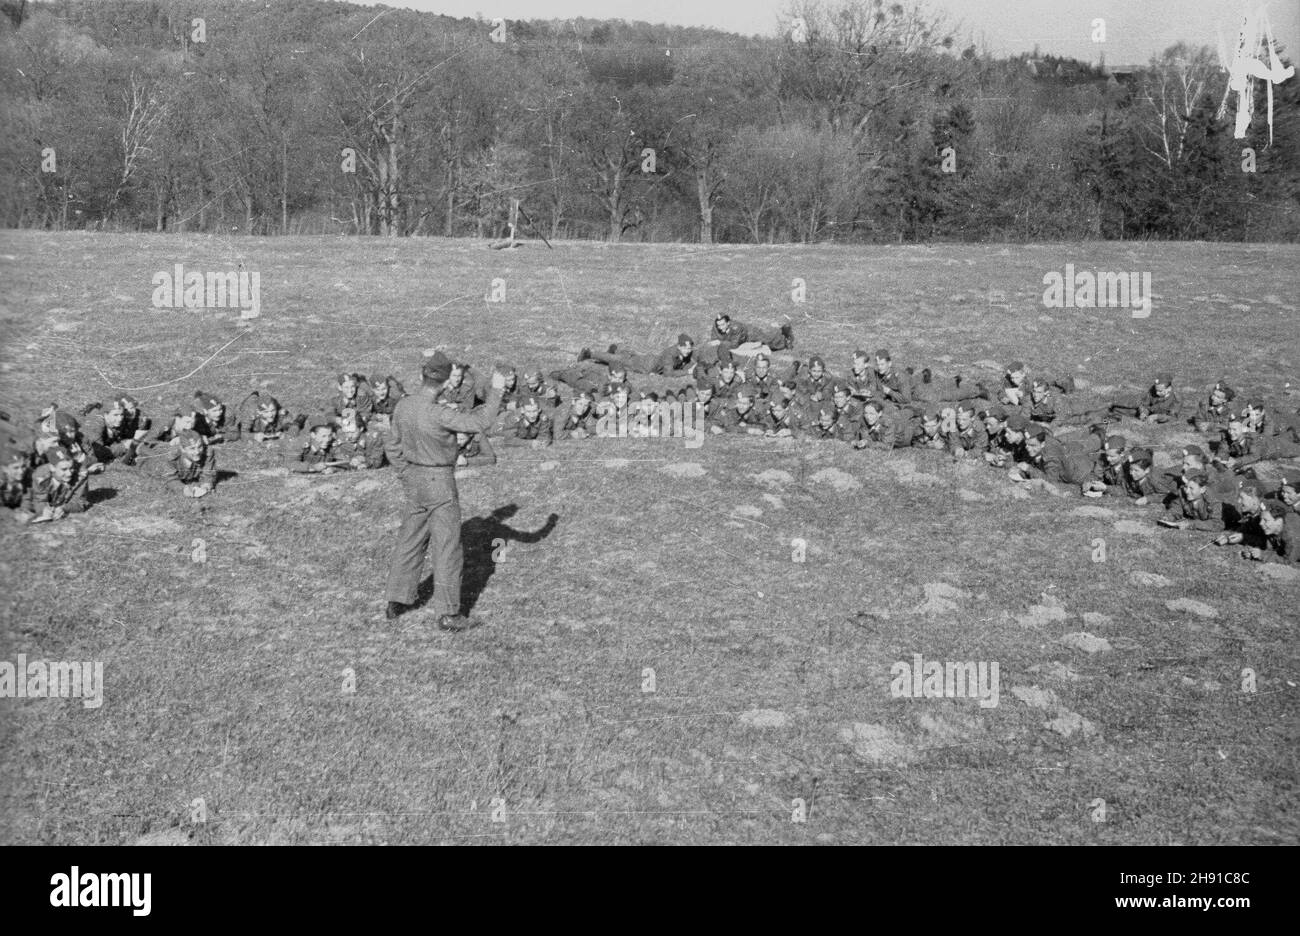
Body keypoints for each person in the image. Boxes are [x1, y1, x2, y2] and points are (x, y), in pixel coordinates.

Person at [384, 350, 506, 631]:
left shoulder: (404, 406)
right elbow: (480, 422)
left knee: (409, 540)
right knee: (447, 548)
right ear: (444, 383)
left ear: (422, 377)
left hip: (414, 480)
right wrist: (497, 390)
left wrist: (405, 473)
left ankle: (396, 599)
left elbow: (392, 445)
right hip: (439, 481)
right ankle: (449, 614)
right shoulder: (439, 413)